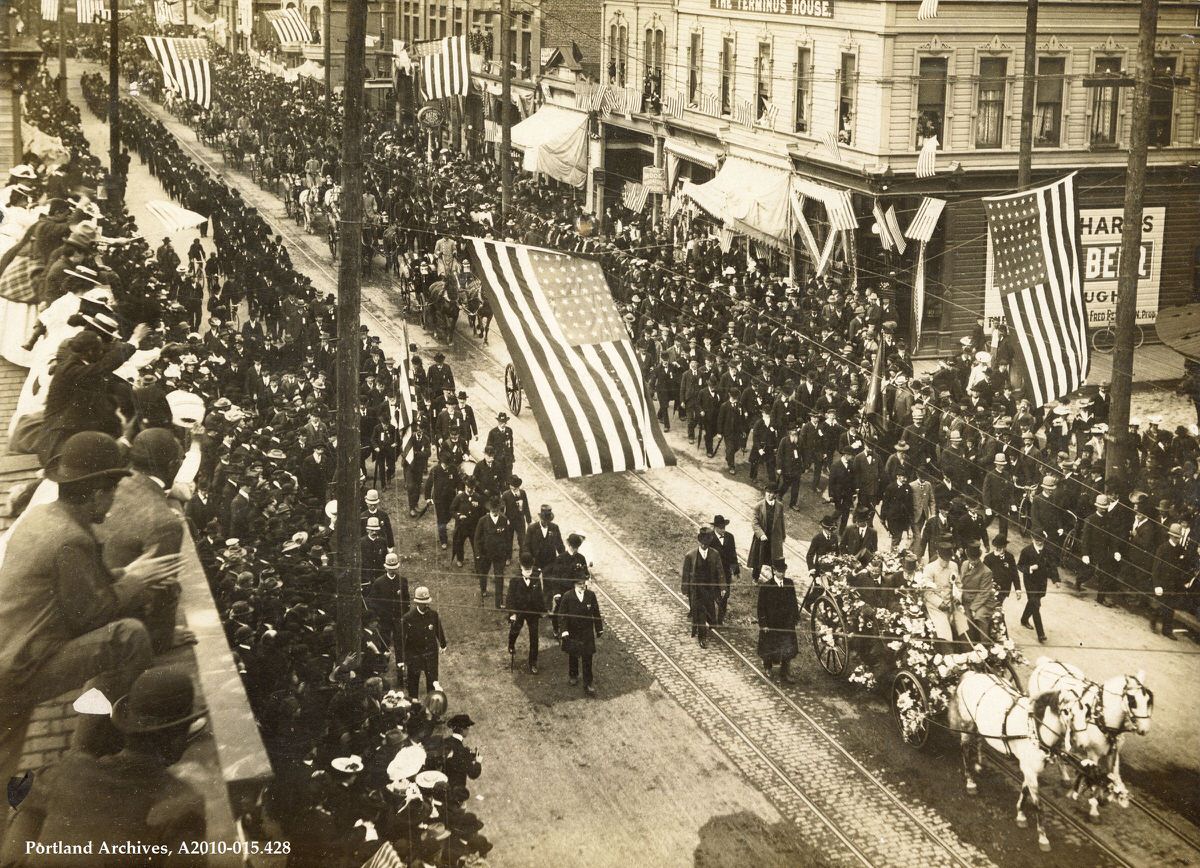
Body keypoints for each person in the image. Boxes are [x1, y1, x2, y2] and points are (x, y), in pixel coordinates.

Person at [0, 433, 180, 783]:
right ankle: (106, 749)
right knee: (128, 637)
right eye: (111, 493)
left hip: (8, 654)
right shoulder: (72, 539)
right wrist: (136, 582)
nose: (112, 504)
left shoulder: (43, 516)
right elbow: (93, 615)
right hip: (18, 670)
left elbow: (77, 583)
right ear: (98, 495)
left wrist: (128, 573)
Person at [0, 667, 207, 866]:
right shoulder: (182, 806)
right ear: (177, 738)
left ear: (127, 726)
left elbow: (11, 860)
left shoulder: (57, 773)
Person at [94, 428, 189, 655]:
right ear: (172, 466)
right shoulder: (165, 522)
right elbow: (161, 592)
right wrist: (162, 637)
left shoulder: (115, 485)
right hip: (116, 620)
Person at [554, 564, 603, 696]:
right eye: (579, 583)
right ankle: (573, 674)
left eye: (584, 583)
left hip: (587, 632)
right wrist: (564, 630)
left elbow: (596, 613)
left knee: (588, 657)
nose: (582, 586)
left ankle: (588, 683)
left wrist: (599, 629)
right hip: (573, 631)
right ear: (574, 584)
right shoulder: (568, 596)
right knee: (574, 654)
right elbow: (562, 615)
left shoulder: (591, 596)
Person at [756, 561, 799, 683]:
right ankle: (768, 667)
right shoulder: (766, 586)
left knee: (787, 649)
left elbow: (793, 602)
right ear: (774, 571)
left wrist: (795, 617)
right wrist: (763, 624)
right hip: (771, 624)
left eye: (783, 571)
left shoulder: (789, 583)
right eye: (779, 571)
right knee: (769, 647)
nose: (782, 573)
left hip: (786, 623)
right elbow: (761, 607)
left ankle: (785, 673)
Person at [399, 586, 447, 696]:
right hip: (414, 654)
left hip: (430, 653)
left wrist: (443, 644)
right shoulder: (408, 618)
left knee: (432, 682)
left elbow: (439, 630)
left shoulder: (433, 615)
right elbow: (401, 639)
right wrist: (402, 658)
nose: (426, 605)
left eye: (427, 602)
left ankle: (432, 708)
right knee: (413, 683)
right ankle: (414, 709)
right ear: (417, 603)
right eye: (423, 603)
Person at [681, 528, 723, 648]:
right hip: (697, 591)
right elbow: (686, 574)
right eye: (702, 543)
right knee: (700, 614)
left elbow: (720, 571)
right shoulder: (690, 555)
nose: (704, 546)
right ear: (699, 542)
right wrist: (685, 588)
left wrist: (722, 587)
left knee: (710, 612)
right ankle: (702, 637)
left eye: (706, 544)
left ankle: (710, 624)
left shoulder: (715, 554)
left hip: (710, 590)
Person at [506, 553, 545, 673]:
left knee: (534, 637)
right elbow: (510, 598)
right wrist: (512, 613)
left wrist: (542, 610)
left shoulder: (536, 578)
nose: (528, 572)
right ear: (521, 567)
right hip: (519, 611)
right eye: (526, 570)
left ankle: (533, 663)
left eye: (530, 570)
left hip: (533, 612)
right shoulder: (515, 581)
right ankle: (511, 644)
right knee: (515, 630)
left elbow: (539, 596)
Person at [473, 496, 513, 608]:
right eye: (493, 510)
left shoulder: (504, 520)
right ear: (489, 509)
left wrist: (508, 555)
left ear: (500, 509)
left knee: (499, 577)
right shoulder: (482, 521)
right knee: (483, 573)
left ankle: (499, 602)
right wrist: (477, 554)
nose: (495, 512)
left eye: (497, 510)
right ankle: (483, 589)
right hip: (485, 554)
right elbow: (476, 538)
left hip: (500, 555)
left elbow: (508, 538)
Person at [1151, 523, 1189, 639]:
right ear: (1170, 536)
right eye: (1174, 537)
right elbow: (1156, 568)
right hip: (1163, 582)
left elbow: (1182, 567)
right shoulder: (1162, 548)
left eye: (1178, 537)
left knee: (1170, 607)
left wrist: (1182, 582)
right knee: (1160, 605)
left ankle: (1167, 630)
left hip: (1174, 583)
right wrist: (1157, 585)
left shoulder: (1181, 550)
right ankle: (1153, 621)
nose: (1176, 539)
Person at [1016, 531, 1055, 643]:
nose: (1039, 542)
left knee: (1033, 602)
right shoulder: (1026, 551)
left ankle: (1024, 619)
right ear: (1032, 539)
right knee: (1035, 604)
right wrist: (1030, 568)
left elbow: (1052, 565)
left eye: (1041, 541)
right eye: (1037, 540)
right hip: (1030, 582)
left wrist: (1055, 579)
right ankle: (1041, 634)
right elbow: (1020, 566)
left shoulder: (1047, 551)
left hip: (1041, 582)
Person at [367, 552, 409, 651]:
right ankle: (384, 662)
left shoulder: (402, 581)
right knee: (384, 641)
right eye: (390, 568)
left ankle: (400, 663)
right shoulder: (378, 582)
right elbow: (372, 601)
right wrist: (379, 614)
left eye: (394, 567)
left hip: (399, 617)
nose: (392, 570)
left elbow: (406, 599)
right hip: (384, 618)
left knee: (400, 640)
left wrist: (405, 614)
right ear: (385, 568)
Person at [959, 542, 996, 642]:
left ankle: (985, 644)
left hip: (982, 602)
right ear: (967, 556)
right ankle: (970, 646)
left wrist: (973, 608)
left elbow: (983, 593)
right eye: (971, 558)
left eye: (975, 559)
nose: (973, 561)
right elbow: (960, 583)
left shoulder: (986, 571)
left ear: (979, 557)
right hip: (966, 599)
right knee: (964, 618)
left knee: (979, 616)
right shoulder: (964, 564)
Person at [748, 484, 785, 582]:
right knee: (758, 559)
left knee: (775, 560)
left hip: (774, 538)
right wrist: (761, 534)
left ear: (775, 495)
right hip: (762, 538)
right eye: (768, 492)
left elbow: (781, 522)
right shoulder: (759, 506)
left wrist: (783, 536)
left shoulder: (780, 506)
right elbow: (755, 523)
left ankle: (775, 581)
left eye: (772, 493)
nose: (769, 495)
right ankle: (755, 578)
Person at [710, 515, 738, 623]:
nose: (723, 530)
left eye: (724, 527)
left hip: (726, 571)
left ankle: (720, 619)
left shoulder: (730, 537)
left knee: (725, 594)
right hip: (713, 572)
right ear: (715, 528)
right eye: (721, 528)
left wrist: (735, 570)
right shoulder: (710, 538)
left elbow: (733, 554)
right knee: (714, 593)